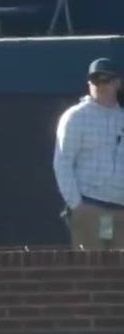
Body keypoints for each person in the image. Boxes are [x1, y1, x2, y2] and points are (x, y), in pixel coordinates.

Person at [53, 58, 124, 250]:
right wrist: (77, 206)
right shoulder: (76, 117)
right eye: (95, 80)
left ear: (118, 83)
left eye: (106, 79)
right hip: (90, 208)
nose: (100, 85)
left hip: (120, 212)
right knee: (90, 269)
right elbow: (63, 162)